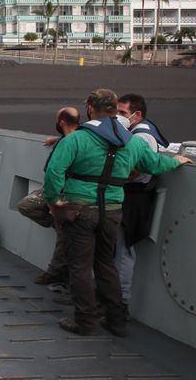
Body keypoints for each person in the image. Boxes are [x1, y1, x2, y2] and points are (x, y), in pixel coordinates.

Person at [43, 89, 191, 337]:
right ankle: (115, 320)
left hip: (80, 210)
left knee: (79, 267)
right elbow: (155, 164)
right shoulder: (131, 141)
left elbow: (54, 173)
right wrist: (177, 160)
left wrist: (53, 201)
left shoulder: (77, 139)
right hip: (112, 211)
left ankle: (85, 321)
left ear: (90, 108)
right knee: (106, 265)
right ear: (114, 110)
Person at [115, 93, 170, 318]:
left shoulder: (141, 137)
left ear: (137, 115)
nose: (119, 117)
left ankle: (120, 304)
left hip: (133, 199)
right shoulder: (137, 133)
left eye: (123, 113)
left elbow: (139, 170)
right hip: (128, 197)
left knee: (123, 251)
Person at [16, 107, 80, 285]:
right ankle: (57, 225)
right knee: (26, 206)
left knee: (63, 232)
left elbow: (58, 169)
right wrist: (57, 140)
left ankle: (55, 271)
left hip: (65, 190)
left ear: (61, 122)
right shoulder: (69, 138)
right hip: (53, 188)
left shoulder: (79, 138)